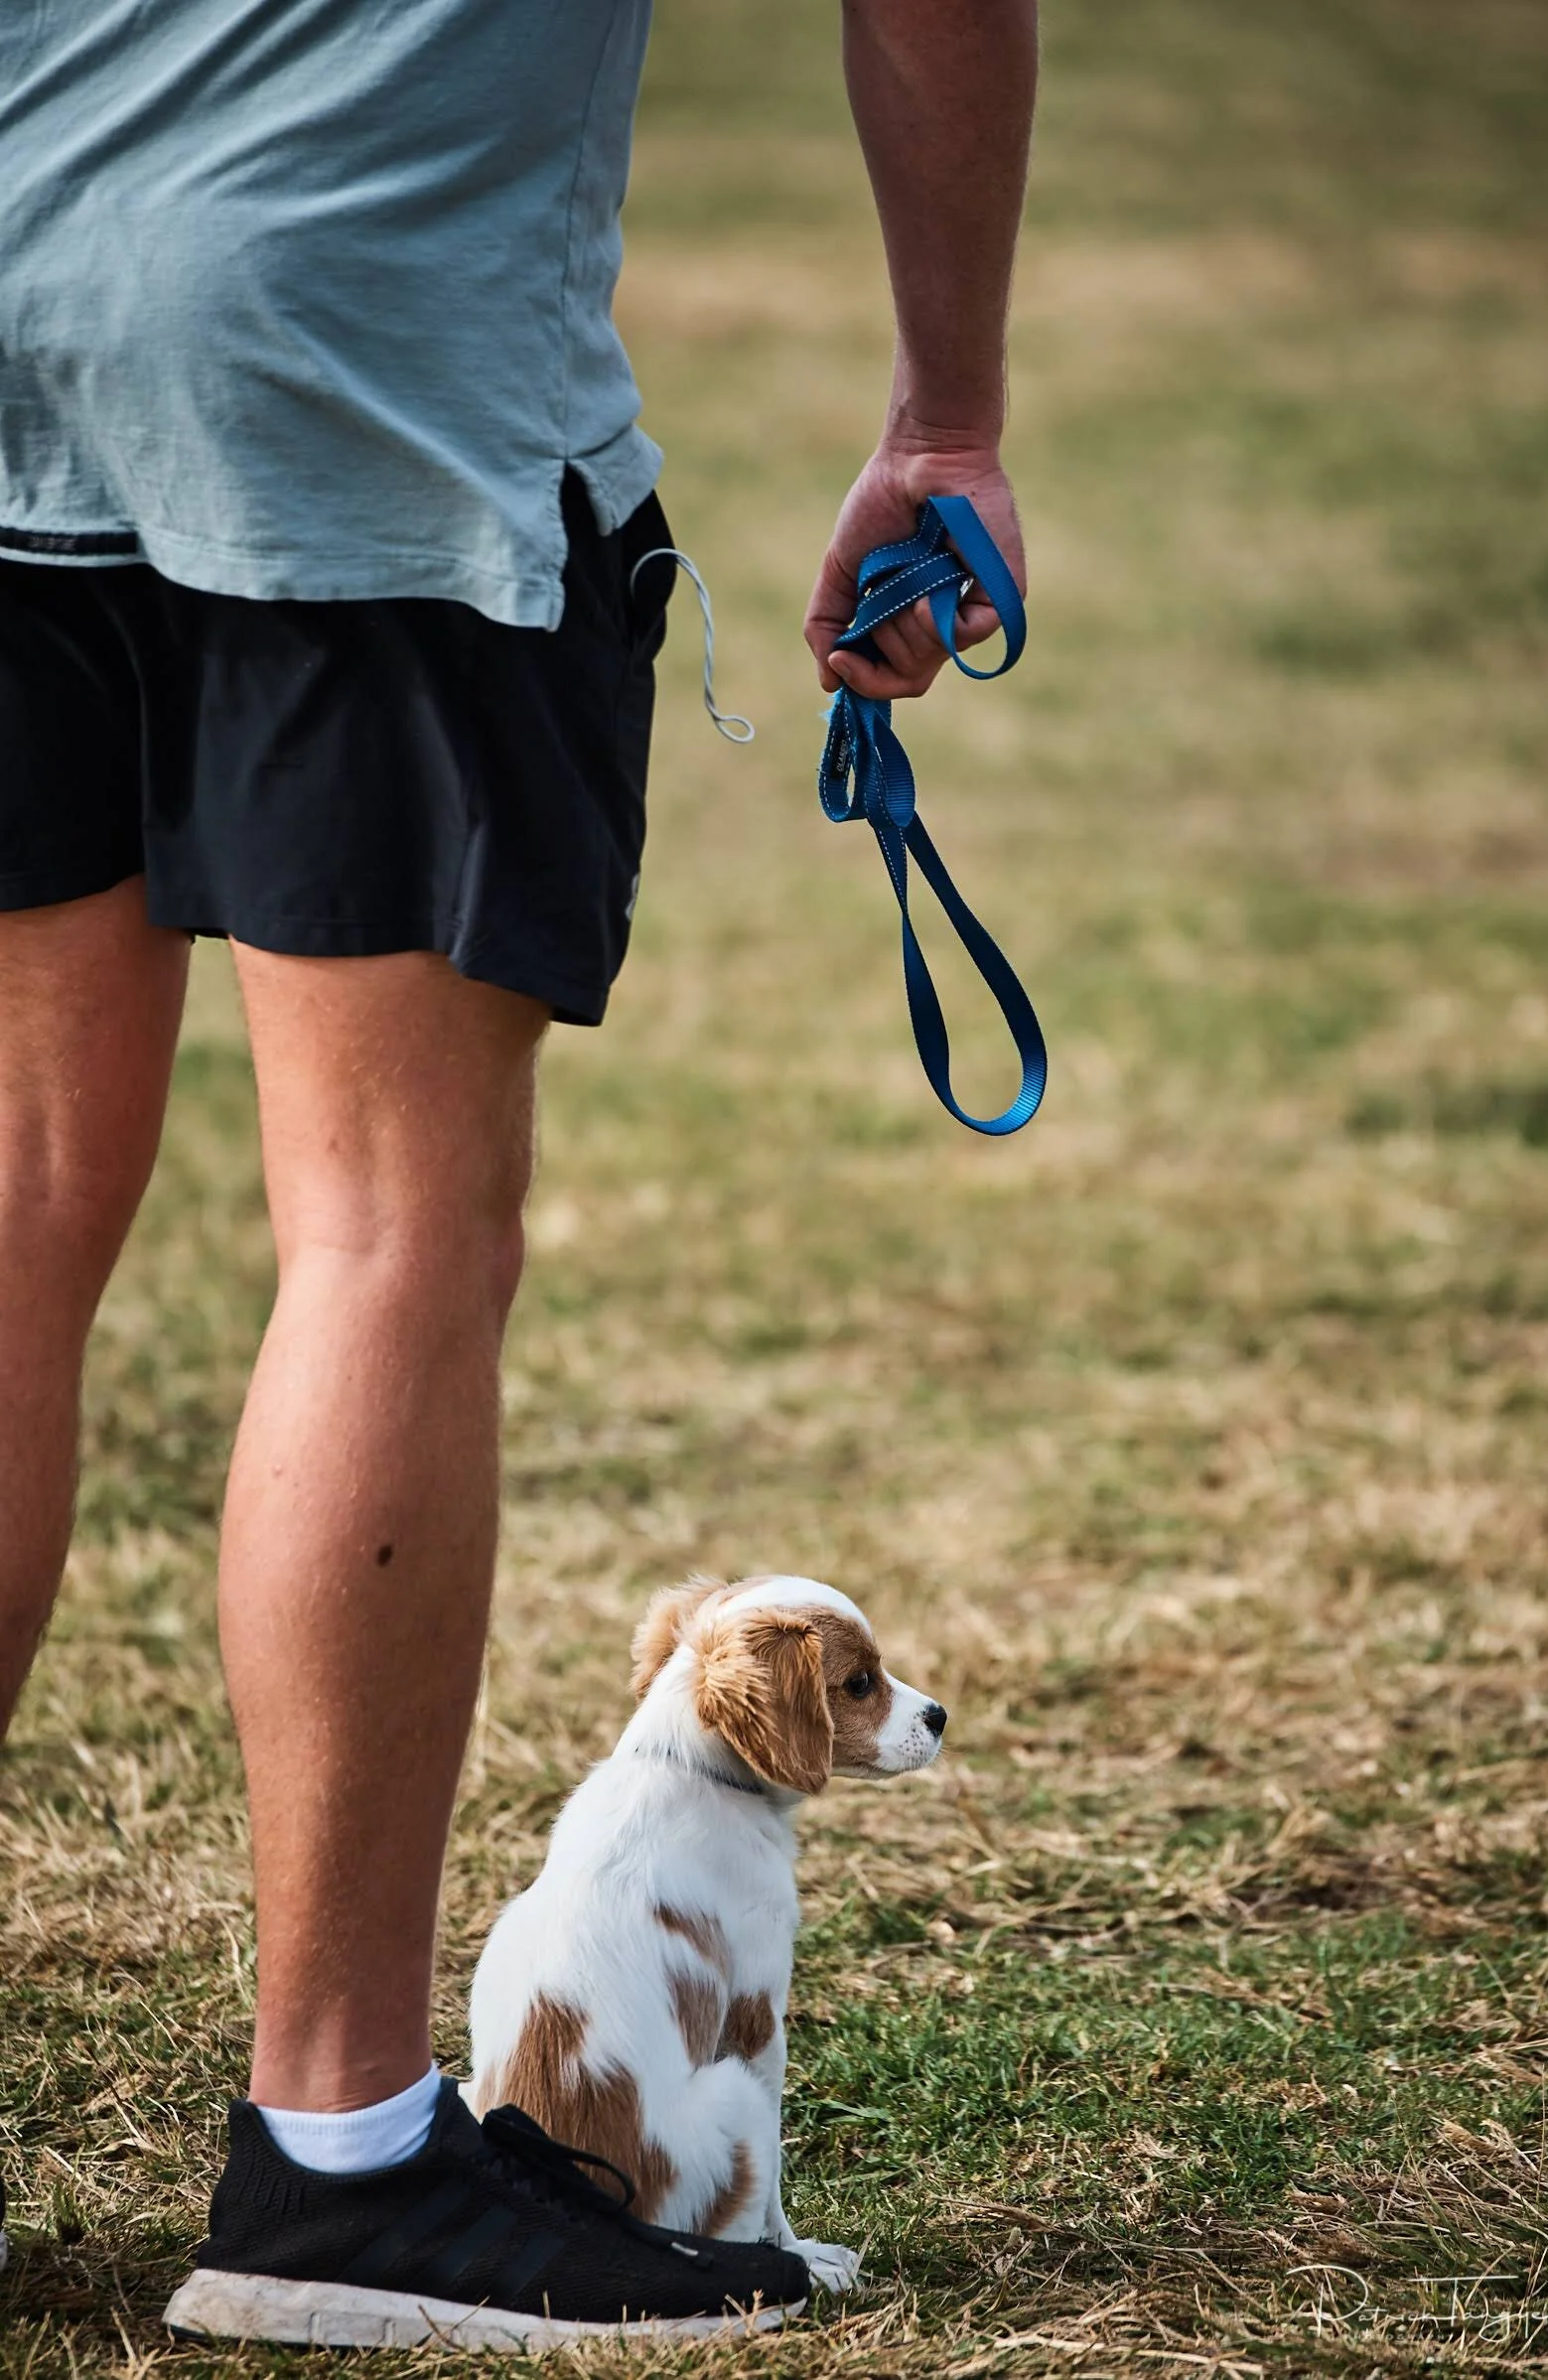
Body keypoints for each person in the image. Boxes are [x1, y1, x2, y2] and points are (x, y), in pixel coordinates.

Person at [0, 0, 1035, 2346]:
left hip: (11, 291)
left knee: (18, 1188)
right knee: (383, 1225)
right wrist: (945, 414)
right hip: (350, 363)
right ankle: (339, 2156)